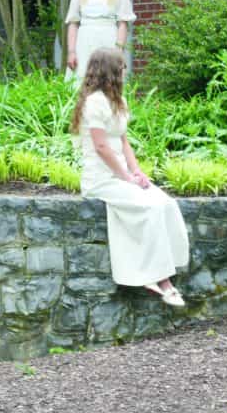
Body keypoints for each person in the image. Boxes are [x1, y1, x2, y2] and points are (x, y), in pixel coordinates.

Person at [70, 47, 189, 306]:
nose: (125, 72)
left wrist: (137, 172)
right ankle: (162, 281)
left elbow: (124, 143)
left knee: (165, 203)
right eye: (121, 68)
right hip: (101, 179)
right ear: (110, 71)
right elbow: (101, 147)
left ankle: (161, 270)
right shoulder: (94, 103)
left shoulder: (119, 102)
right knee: (148, 208)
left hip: (122, 175)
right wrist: (125, 177)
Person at [65, 0, 135, 81]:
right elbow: (73, 23)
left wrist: (119, 53)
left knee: (109, 85)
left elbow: (122, 24)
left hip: (108, 43)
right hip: (83, 43)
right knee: (79, 84)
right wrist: (72, 52)